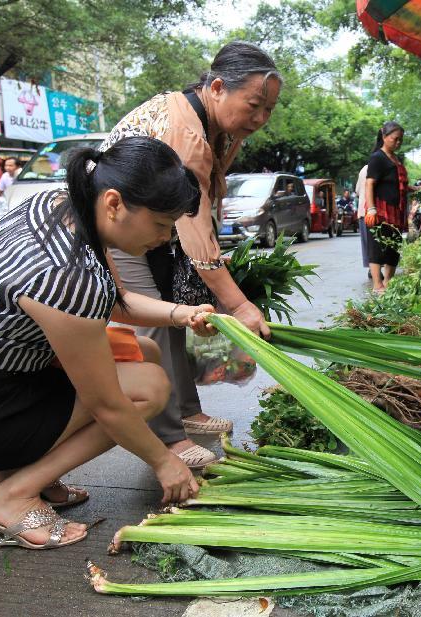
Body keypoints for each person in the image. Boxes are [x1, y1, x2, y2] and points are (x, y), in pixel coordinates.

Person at [0, 137, 215, 549]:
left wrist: (182, 313)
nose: (166, 239)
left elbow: (117, 301)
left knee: (145, 353)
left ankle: (17, 473)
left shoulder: (59, 206)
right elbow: (107, 406)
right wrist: (165, 462)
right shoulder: (68, 274)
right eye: (161, 225)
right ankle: (10, 496)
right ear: (114, 204)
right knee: (146, 389)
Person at [102, 41, 281, 469]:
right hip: (120, 224)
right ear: (217, 87)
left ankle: (185, 410)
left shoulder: (215, 127)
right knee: (157, 320)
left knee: (180, 316)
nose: (259, 118)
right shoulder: (188, 132)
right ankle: (165, 437)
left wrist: (218, 273)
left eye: (269, 110)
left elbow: (202, 210)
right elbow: (193, 223)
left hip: (151, 228)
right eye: (254, 104)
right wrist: (236, 302)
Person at [364, 121, 409, 293]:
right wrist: (371, 209)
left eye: (400, 140)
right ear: (384, 137)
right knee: (377, 246)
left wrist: (416, 190)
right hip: (380, 212)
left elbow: (397, 184)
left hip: (396, 212)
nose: (398, 143)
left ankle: (388, 283)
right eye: (395, 139)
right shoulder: (377, 158)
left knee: (393, 248)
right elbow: (370, 184)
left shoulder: (397, 159)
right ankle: (377, 285)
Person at [355, 165, 370, 277]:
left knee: (367, 243)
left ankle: (372, 269)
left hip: (362, 212)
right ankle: (376, 270)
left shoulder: (363, 169)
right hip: (373, 211)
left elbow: (357, 191)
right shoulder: (379, 167)